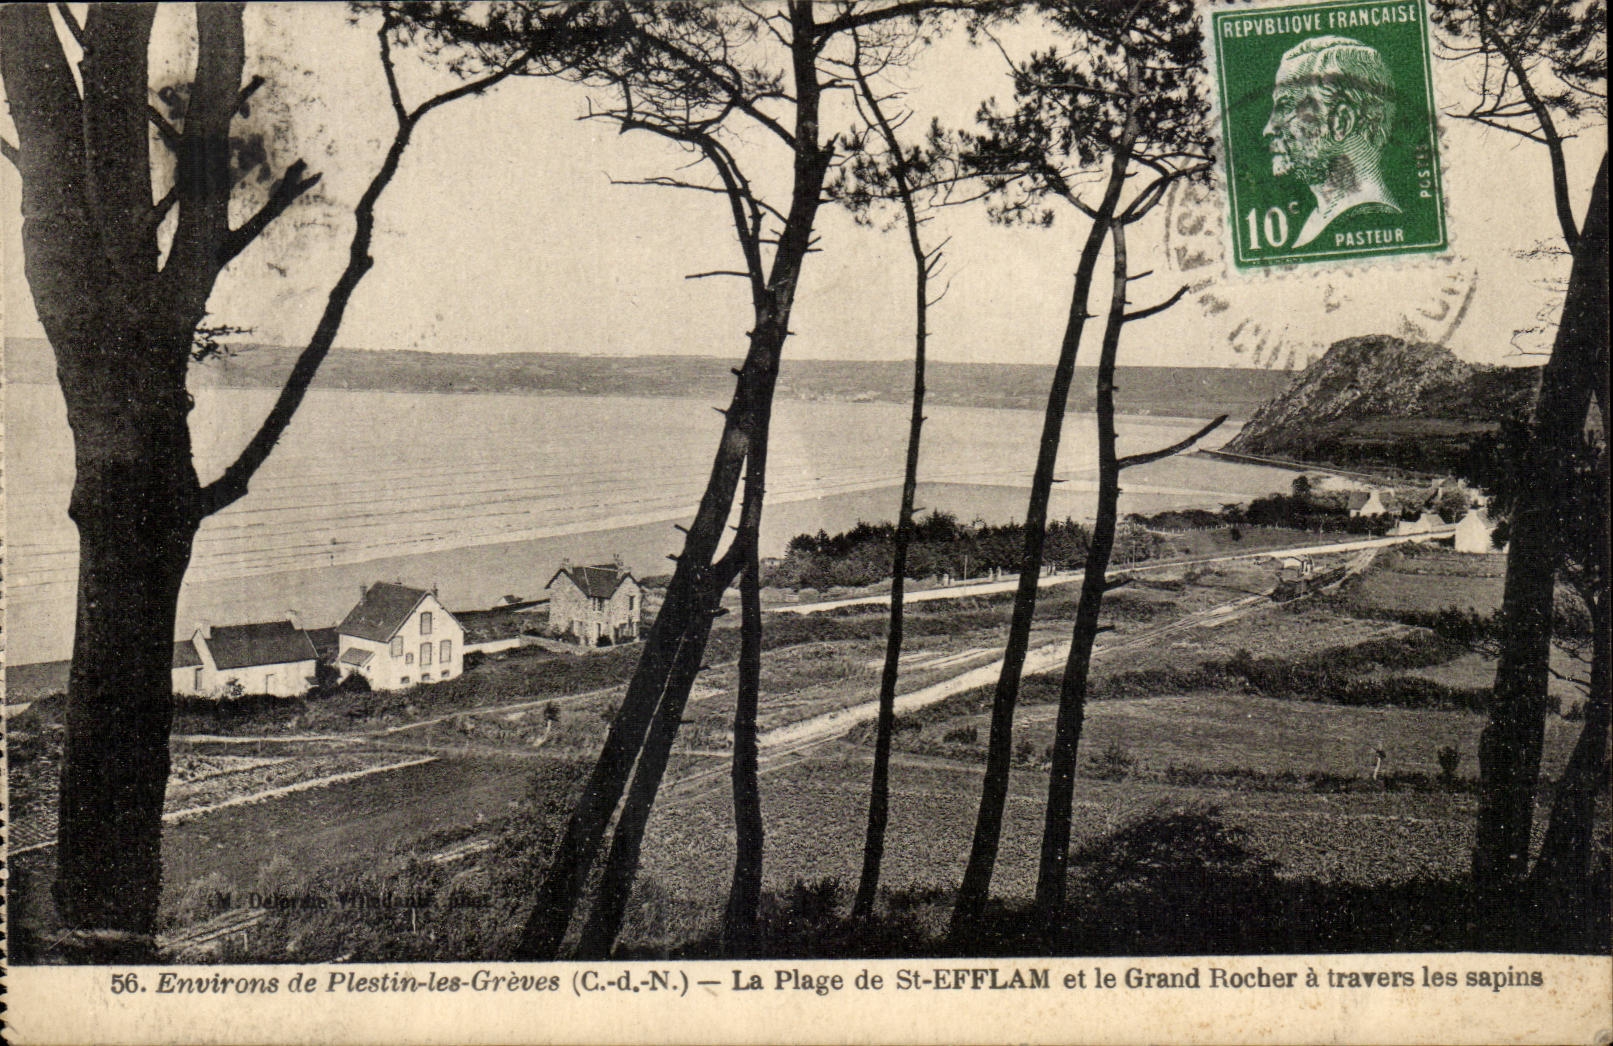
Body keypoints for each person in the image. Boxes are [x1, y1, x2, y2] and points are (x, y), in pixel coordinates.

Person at [1262, 35, 1400, 247]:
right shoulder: (1320, 221)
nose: (1268, 129)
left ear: (1341, 122)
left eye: (1285, 106)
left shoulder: (1366, 222)